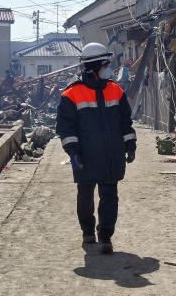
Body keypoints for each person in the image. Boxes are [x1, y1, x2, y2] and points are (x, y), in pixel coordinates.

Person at [56, 42, 137, 254]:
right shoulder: (71, 94)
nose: (109, 68)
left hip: (112, 156)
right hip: (85, 157)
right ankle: (88, 232)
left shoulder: (115, 90)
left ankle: (105, 236)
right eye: (106, 64)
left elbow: (125, 122)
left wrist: (130, 144)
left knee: (109, 196)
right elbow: (66, 128)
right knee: (85, 196)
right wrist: (73, 153)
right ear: (94, 66)